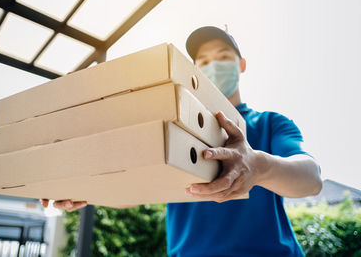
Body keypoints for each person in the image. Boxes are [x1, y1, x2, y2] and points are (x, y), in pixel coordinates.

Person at [41, 26, 323, 257]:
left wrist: (258, 165)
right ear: (194, 70)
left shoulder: (269, 124)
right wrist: (88, 187)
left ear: (242, 64)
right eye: (204, 60)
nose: (214, 65)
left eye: (224, 56)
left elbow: (311, 178)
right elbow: (140, 188)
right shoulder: (174, 124)